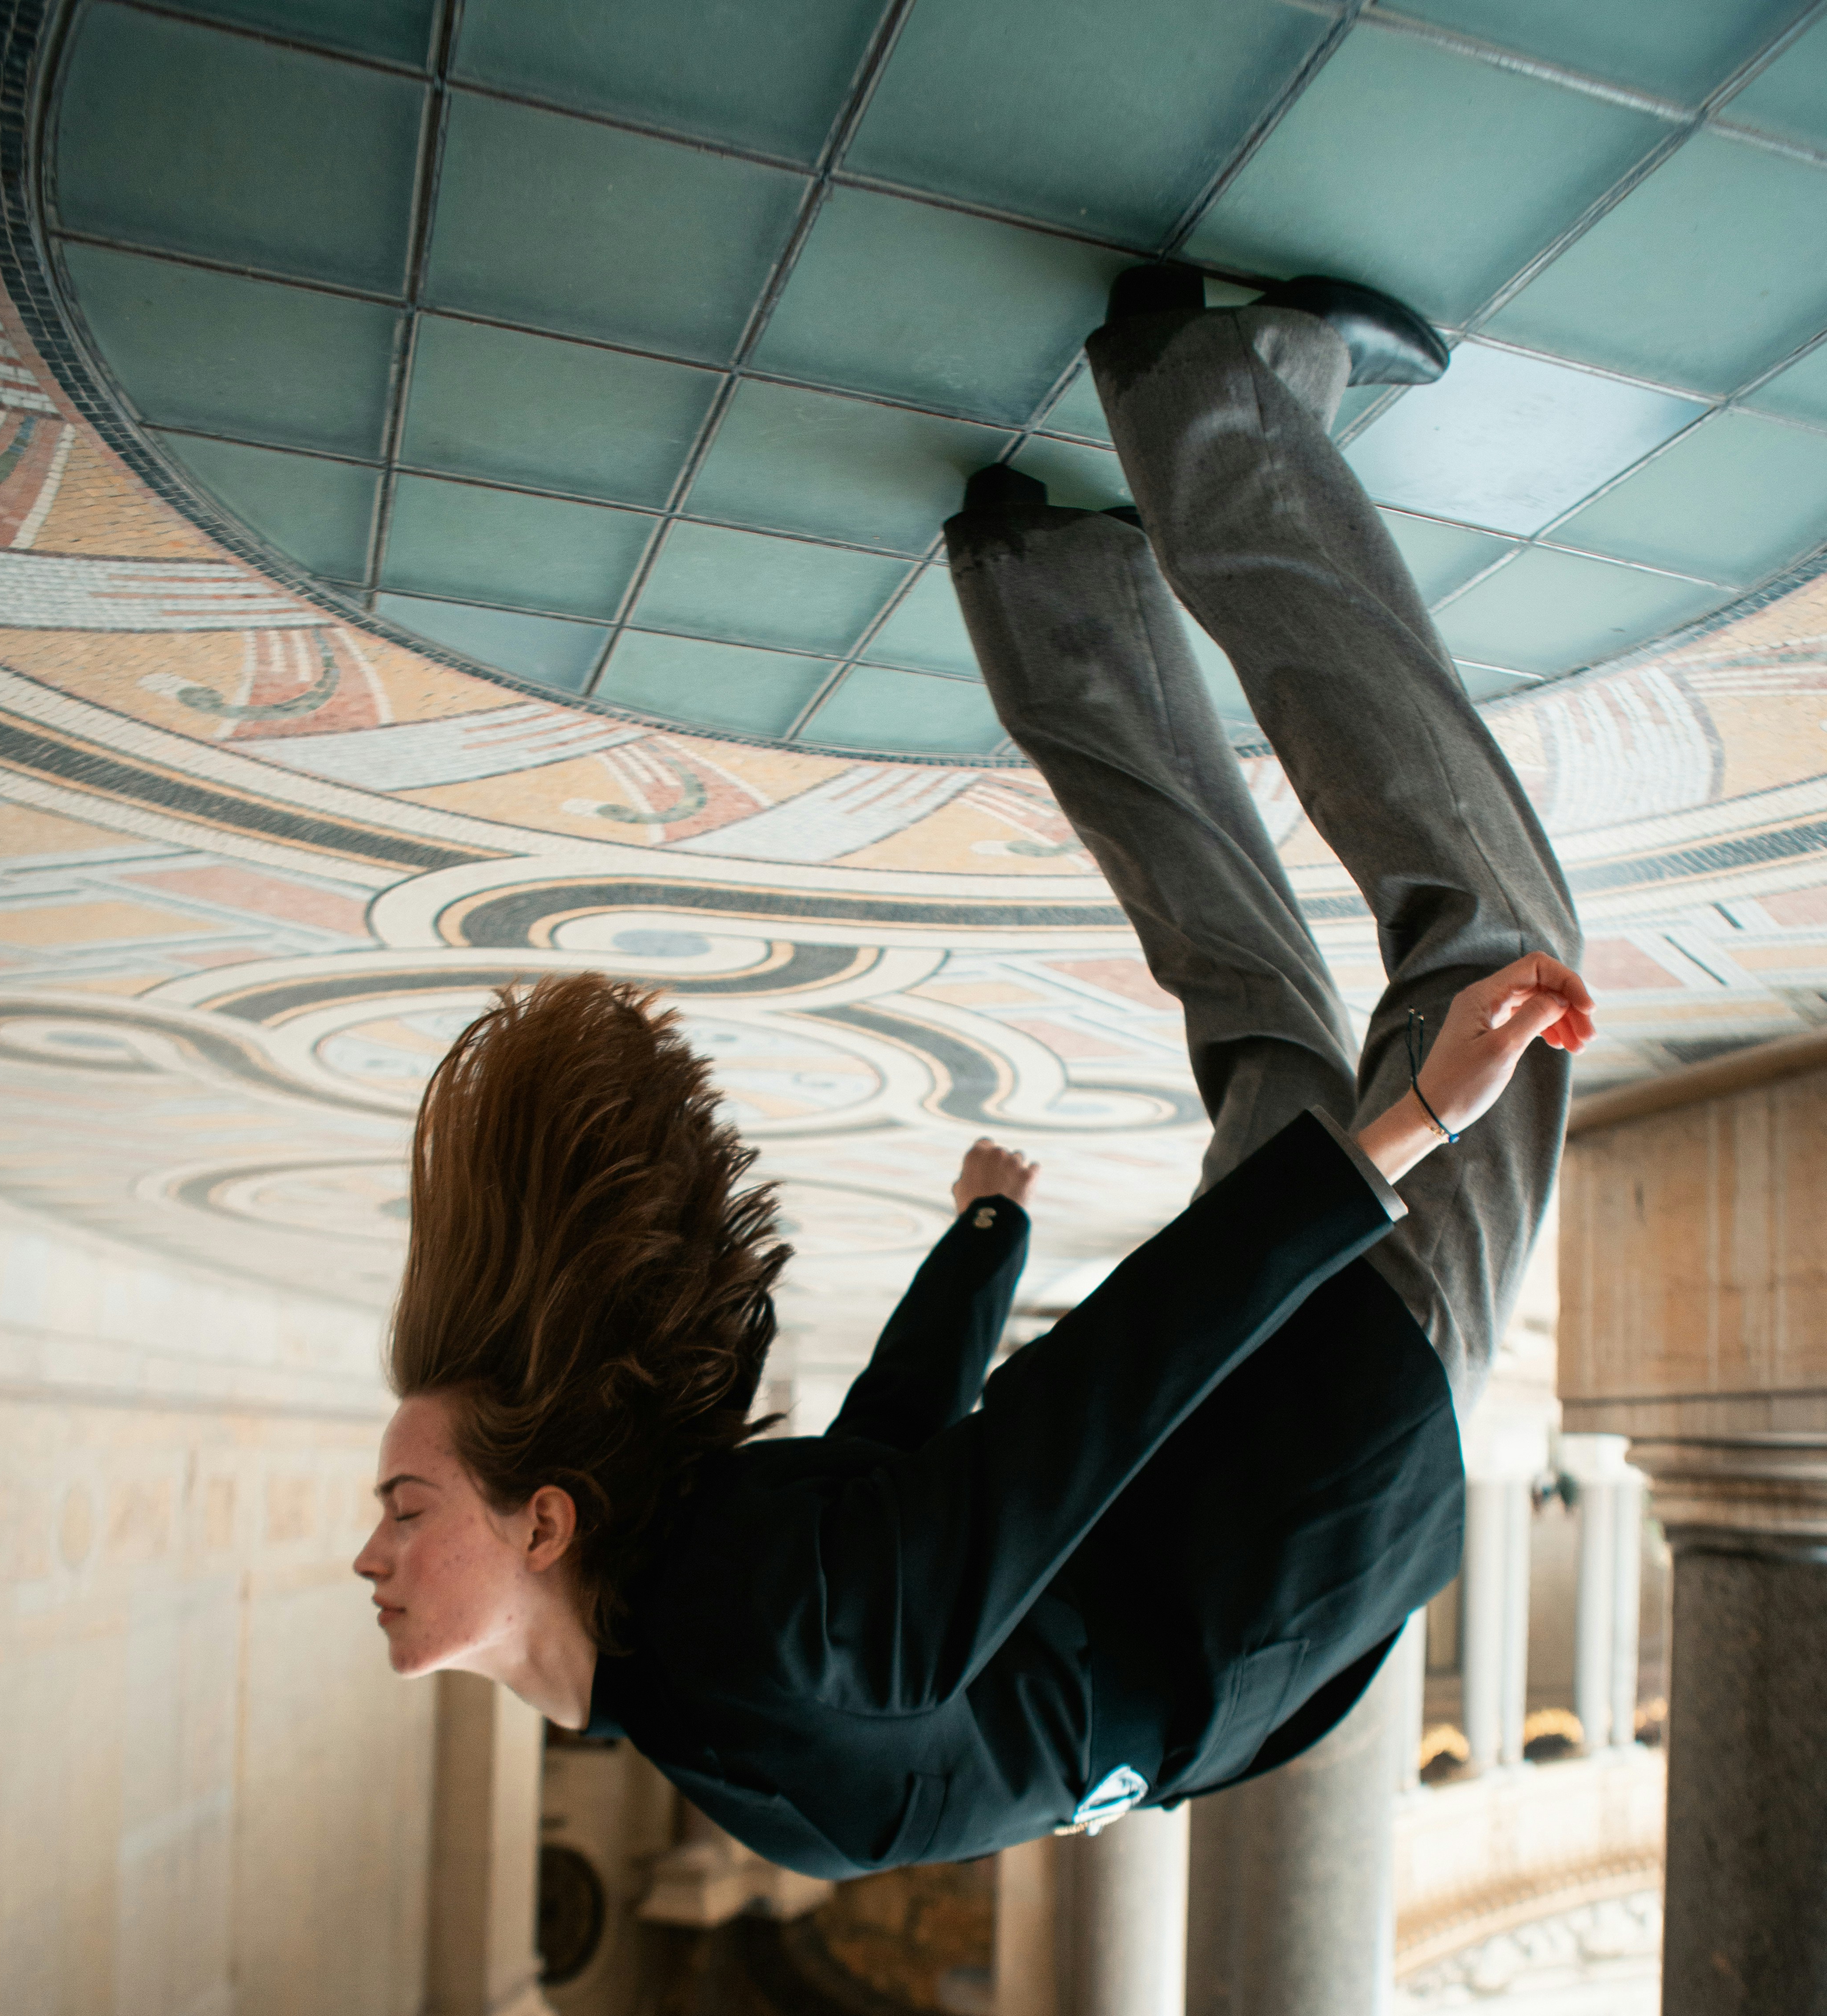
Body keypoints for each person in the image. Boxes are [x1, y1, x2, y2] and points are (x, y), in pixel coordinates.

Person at [353, 270, 1592, 1879]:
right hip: (1253, 1514)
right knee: (1266, 1017)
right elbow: (917, 1478)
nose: (368, 1550)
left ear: (543, 1524)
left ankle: (1224, 411)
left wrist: (1407, 1130)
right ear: (539, 1528)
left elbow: (1057, 1426)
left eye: (400, 1507)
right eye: (398, 1509)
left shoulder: (723, 1638)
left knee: (1495, 945)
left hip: (1280, 1468)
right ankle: (1062, 581)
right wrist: (985, 1251)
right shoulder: (675, 1665)